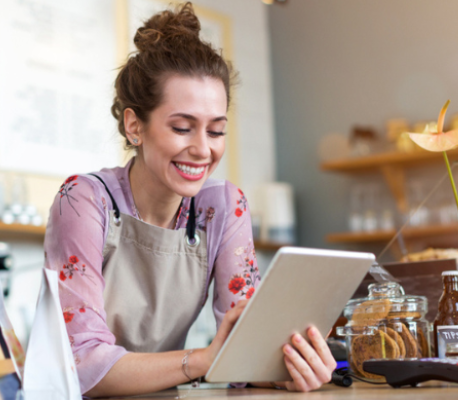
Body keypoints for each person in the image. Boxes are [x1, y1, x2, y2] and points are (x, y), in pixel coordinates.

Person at [44, 3, 335, 397]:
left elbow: (245, 343)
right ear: (134, 126)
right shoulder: (83, 201)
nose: (202, 149)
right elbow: (82, 366)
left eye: (216, 131)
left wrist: (286, 364)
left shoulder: (224, 207)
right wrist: (203, 360)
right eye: (182, 128)